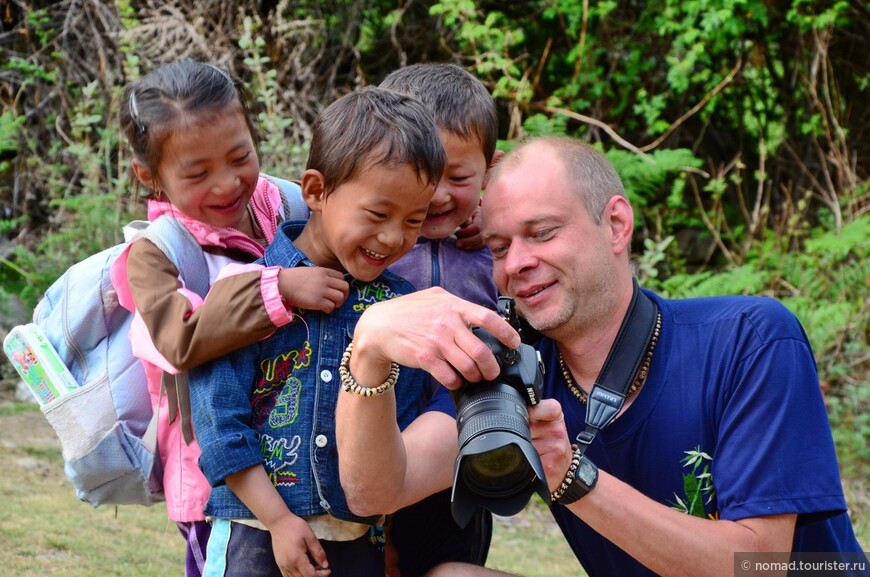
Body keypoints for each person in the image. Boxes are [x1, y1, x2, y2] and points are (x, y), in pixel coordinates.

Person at [335, 136, 865, 577]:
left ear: (615, 225)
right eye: (498, 248)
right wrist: (369, 350)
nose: (517, 263)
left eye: (541, 233)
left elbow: (760, 564)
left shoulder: (749, 339)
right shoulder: (521, 365)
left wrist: (575, 477)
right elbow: (375, 492)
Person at [187, 86, 450, 577]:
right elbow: (218, 422)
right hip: (255, 531)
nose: (394, 237)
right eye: (377, 214)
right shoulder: (246, 294)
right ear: (315, 191)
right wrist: (279, 519)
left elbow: (402, 434)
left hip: (358, 543)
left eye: (414, 220)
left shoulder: (400, 310)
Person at [110, 59, 349, 577]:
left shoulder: (287, 203)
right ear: (149, 176)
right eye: (197, 173)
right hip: (217, 480)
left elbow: (364, 223)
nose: (226, 184)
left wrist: (458, 222)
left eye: (240, 157)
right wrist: (278, 287)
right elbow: (179, 339)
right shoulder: (158, 254)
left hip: (305, 455)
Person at [380, 62, 503, 576]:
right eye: (422, 175)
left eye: (457, 177)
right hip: (374, 444)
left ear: (487, 175)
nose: (437, 194)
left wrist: (493, 214)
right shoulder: (370, 246)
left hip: (459, 471)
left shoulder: (495, 251)